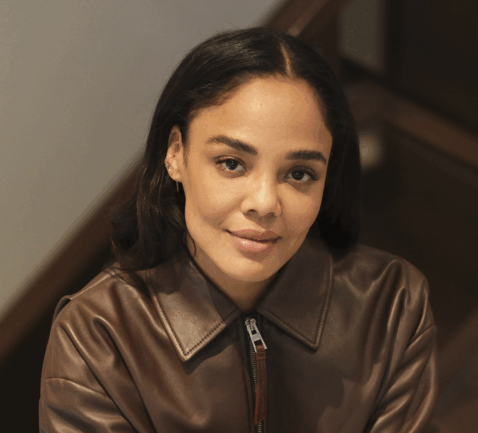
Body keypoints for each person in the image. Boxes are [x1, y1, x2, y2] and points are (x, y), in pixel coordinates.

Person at [39, 27, 437, 433]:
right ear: (175, 153)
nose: (264, 203)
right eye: (231, 163)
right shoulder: (98, 337)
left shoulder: (391, 306)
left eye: (299, 173)